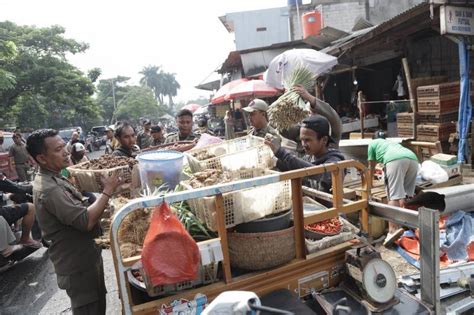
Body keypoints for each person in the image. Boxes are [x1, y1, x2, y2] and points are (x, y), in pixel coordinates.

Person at [27, 128, 122, 315]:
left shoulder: (56, 177)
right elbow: (85, 221)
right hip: (77, 267)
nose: (65, 152)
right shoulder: (49, 189)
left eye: (64, 146)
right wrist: (108, 190)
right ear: (41, 159)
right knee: (89, 309)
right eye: (57, 150)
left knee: (98, 304)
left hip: (85, 259)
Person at [265, 115, 345, 194]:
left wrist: (281, 152)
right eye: (302, 140)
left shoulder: (335, 161)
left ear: (324, 140)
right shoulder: (310, 157)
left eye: (307, 140)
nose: (303, 144)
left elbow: (317, 172)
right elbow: (296, 167)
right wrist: (275, 161)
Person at [367, 137, 418, 244]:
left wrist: (369, 184)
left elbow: (371, 166)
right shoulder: (390, 143)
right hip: (413, 159)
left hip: (395, 160)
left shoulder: (372, 144)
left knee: (394, 196)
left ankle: (392, 231)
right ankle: (411, 227)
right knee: (407, 195)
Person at [284, 85, 342, 149]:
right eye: (309, 113)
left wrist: (308, 97)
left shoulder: (331, 129)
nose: (304, 144)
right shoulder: (303, 129)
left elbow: (331, 115)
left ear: (324, 140)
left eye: (315, 113)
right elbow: (285, 129)